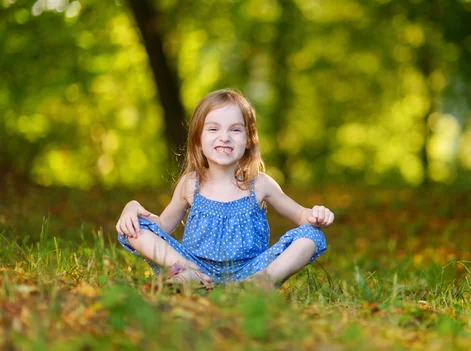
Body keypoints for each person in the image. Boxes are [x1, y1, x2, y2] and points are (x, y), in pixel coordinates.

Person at [115, 88, 334, 289]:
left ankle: (259, 284)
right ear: (198, 140)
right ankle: (187, 273)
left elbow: (300, 215)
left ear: (248, 140)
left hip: (250, 272)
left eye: (235, 130)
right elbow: (161, 227)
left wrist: (315, 215)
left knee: (311, 236)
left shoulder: (259, 184)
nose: (225, 137)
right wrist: (132, 208)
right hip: (194, 265)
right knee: (135, 229)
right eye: (213, 129)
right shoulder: (190, 184)